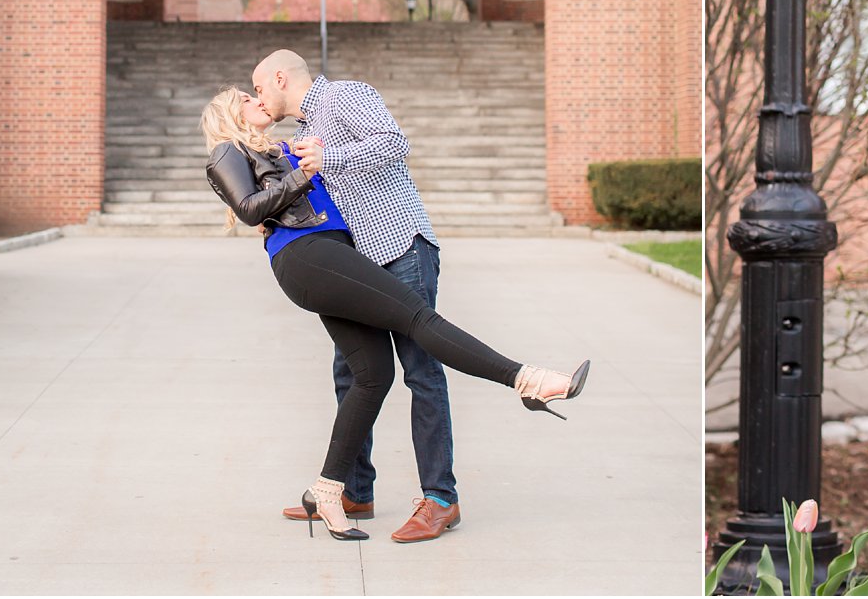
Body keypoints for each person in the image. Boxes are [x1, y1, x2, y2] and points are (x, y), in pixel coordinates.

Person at [201, 86, 589, 542]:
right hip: (306, 255)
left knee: (372, 375)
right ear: (231, 114)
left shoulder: (285, 145)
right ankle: (531, 380)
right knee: (418, 319)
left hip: (332, 253)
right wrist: (304, 175)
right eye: (248, 97)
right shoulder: (226, 150)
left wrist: (313, 165)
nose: (257, 100)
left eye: (258, 91)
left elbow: (368, 160)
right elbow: (248, 210)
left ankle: (327, 491)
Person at [250, 48, 464, 543]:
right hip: (355, 266)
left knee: (421, 371)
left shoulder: (346, 95)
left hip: (400, 247)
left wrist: (332, 157)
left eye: (260, 87)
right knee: (352, 373)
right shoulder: (299, 137)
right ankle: (354, 490)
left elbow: (394, 143)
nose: (260, 96)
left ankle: (440, 499)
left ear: (281, 77)